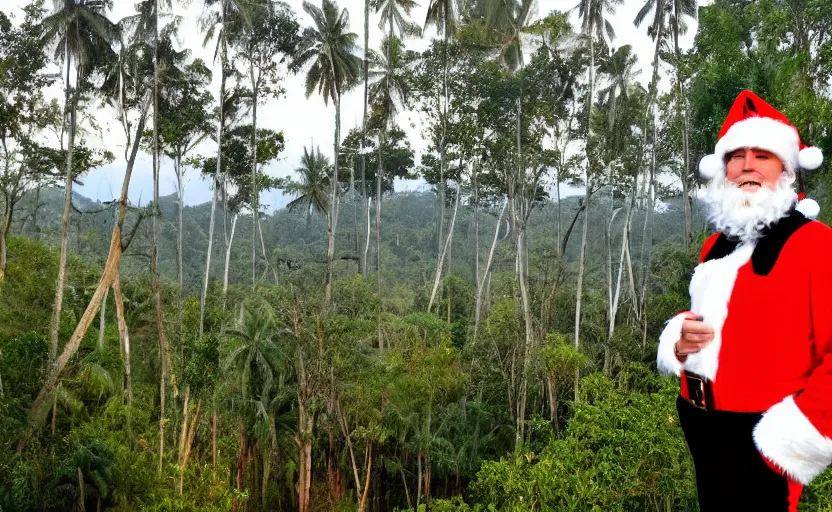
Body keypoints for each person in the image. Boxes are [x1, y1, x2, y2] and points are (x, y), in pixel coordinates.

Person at [656, 90, 831, 512]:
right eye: (736, 156)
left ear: (786, 170)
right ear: (724, 169)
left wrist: (788, 442)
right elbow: (712, 321)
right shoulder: (714, 246)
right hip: (699, 419)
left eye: (762, 155)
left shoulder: (816, 244)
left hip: (765, 434)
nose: (747, 165)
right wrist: (678, 337)